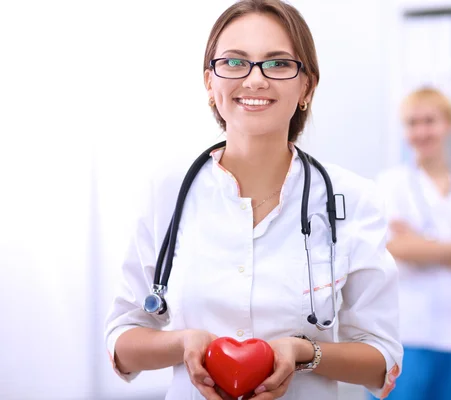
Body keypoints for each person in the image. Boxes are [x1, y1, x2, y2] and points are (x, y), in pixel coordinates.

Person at [103, 1, 403, 400]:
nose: (255, 80)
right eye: (234, 62)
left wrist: (304, 353)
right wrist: (184, 344)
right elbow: (122, 337)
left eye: (278, 64)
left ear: (307, 87)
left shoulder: (353, 198)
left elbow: (381, 358)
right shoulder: (168, 191)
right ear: (210, 82)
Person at [371, 88, 451, 400]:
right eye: (412, 123)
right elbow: (397, 248)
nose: (421, 131)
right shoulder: (391, 183)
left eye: (429, 121)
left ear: (448, 124)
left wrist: (423, 246)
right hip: (406, 336)